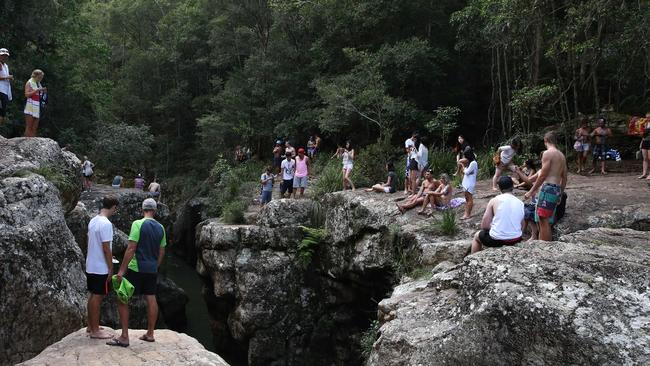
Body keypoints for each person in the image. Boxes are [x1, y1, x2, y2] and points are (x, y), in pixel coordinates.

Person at [109, 199, 167, 347]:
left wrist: (121, 271)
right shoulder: (161, 228)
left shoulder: (138, 224)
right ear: (154, 211)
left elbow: (131, 248)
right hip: (152, 269)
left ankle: (124, 337)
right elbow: (162, 251)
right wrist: (156, 266)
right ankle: (150, 334)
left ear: (143, 210)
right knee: (151, 298)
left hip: (136, 267)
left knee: (122, 298)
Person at [86, 196, 119, 340]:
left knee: (93, 295)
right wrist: (110, 268)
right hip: (100, 267)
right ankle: (95, 331)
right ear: (113, 207)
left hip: (91, 264)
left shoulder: (93, 220)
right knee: (97, 298)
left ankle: (91, 326)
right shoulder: (106, 224)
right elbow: (106, 248)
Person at [524, 131, 567, 241]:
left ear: (545, 141)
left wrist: (531, 191)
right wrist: (560, 194)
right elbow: (564, 177)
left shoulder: (548, 154)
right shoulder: (562, 156)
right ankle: (544, 245)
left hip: (548, 188)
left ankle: (544, 247)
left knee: (543, 220)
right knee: (545, 219)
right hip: (556, 189)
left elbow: (543, 175)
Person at [470, 176, 524, 254]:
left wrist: (496, 227)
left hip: (497, 240)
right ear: (512, 186)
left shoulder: (494, 200)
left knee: (476, 236)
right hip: (516, 239)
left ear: (499, 188)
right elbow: (522, 226)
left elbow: (484, 226)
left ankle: (472, 260)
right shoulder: (520, 203)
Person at [23, 69, 46, 137]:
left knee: (35, 127)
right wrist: (37, 90)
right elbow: (26, 94)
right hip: (30, 106)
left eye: (41, 78)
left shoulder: (38, 84)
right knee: (29, 126)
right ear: (35, 76)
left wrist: (44, 92)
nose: (40, 79)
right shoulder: (29, 82)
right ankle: (26, 142)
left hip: (37, 106)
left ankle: (32, 142)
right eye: (39, 77)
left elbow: (40, 95)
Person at [460, 149, 478, 219]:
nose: (464, 158)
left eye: (465, 156)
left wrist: (463, 167)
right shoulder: (470, 163)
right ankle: (466, 213)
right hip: (466, 183)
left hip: (469, 183)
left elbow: (467, 172)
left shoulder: (473, 163)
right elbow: (467, 172)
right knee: (467, 199)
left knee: (469, 199)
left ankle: (468, 214)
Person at [0, 48, 13, 125]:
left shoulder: (5, 66)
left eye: (5, 56)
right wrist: (7, 77)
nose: (4, 57)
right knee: (1, 112)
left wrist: (8, 77)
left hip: (4, 90)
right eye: (2, 55)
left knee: (2, 112)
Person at [638, 112, 650, 179]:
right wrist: (641, 143)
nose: (648, 118)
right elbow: (643, 135)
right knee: (645, 158)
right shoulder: (644, 124)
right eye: (647, 117)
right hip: (645, 141)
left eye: (649, 117)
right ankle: (644, 173)